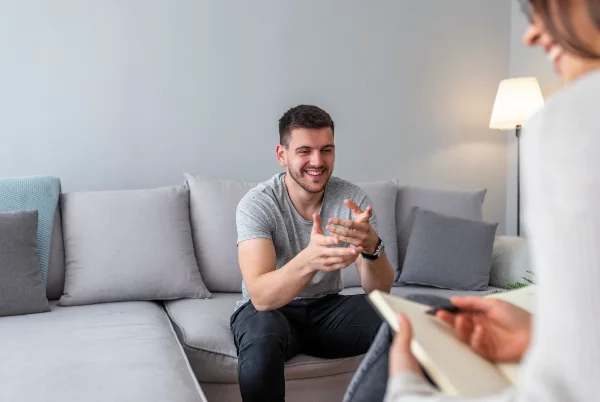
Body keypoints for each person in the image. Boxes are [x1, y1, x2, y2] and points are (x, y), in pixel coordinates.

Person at [344, 0, 600, 401]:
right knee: (427, 306)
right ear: (281, 154)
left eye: (546, 8)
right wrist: (542, 336)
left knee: (406, 318)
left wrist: (407, 390)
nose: (531, 34)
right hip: (280, 316)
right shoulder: (261, 203)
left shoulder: (574, 122)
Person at [231, 104, 395, 402]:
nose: (317, 162)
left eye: (326, 150)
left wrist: (372, 247)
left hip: (326, 310)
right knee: (262, 341)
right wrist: (308, 259)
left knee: (400, 319)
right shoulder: (257, 204)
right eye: (304, 151)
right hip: (269, 313)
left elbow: (379, 291)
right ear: (282, 155)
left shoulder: (352, 199)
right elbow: (261, 296)